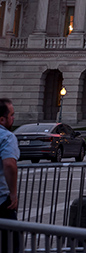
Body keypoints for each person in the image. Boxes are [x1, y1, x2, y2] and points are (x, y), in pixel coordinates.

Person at [1, 98, 19, 228]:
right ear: (2, 119)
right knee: (11, 244)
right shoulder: (7, 137)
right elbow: (9, 164)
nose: (13, 118)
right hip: (1, 200)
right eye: (11, 115)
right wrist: (13, 193)